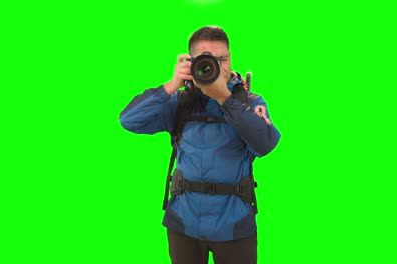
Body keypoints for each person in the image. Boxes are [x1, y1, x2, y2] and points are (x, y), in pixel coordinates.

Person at [119, 26, 280, 264]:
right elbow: (129, 120)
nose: (216, 66)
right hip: (183, 222)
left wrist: (225, 98)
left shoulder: (249, 101)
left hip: (234, 224)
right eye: (207, 61)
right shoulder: (179, 101)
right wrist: (171, 85)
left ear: (230, 59)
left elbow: (265, 144)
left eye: (222, 59)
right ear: (192, 63)